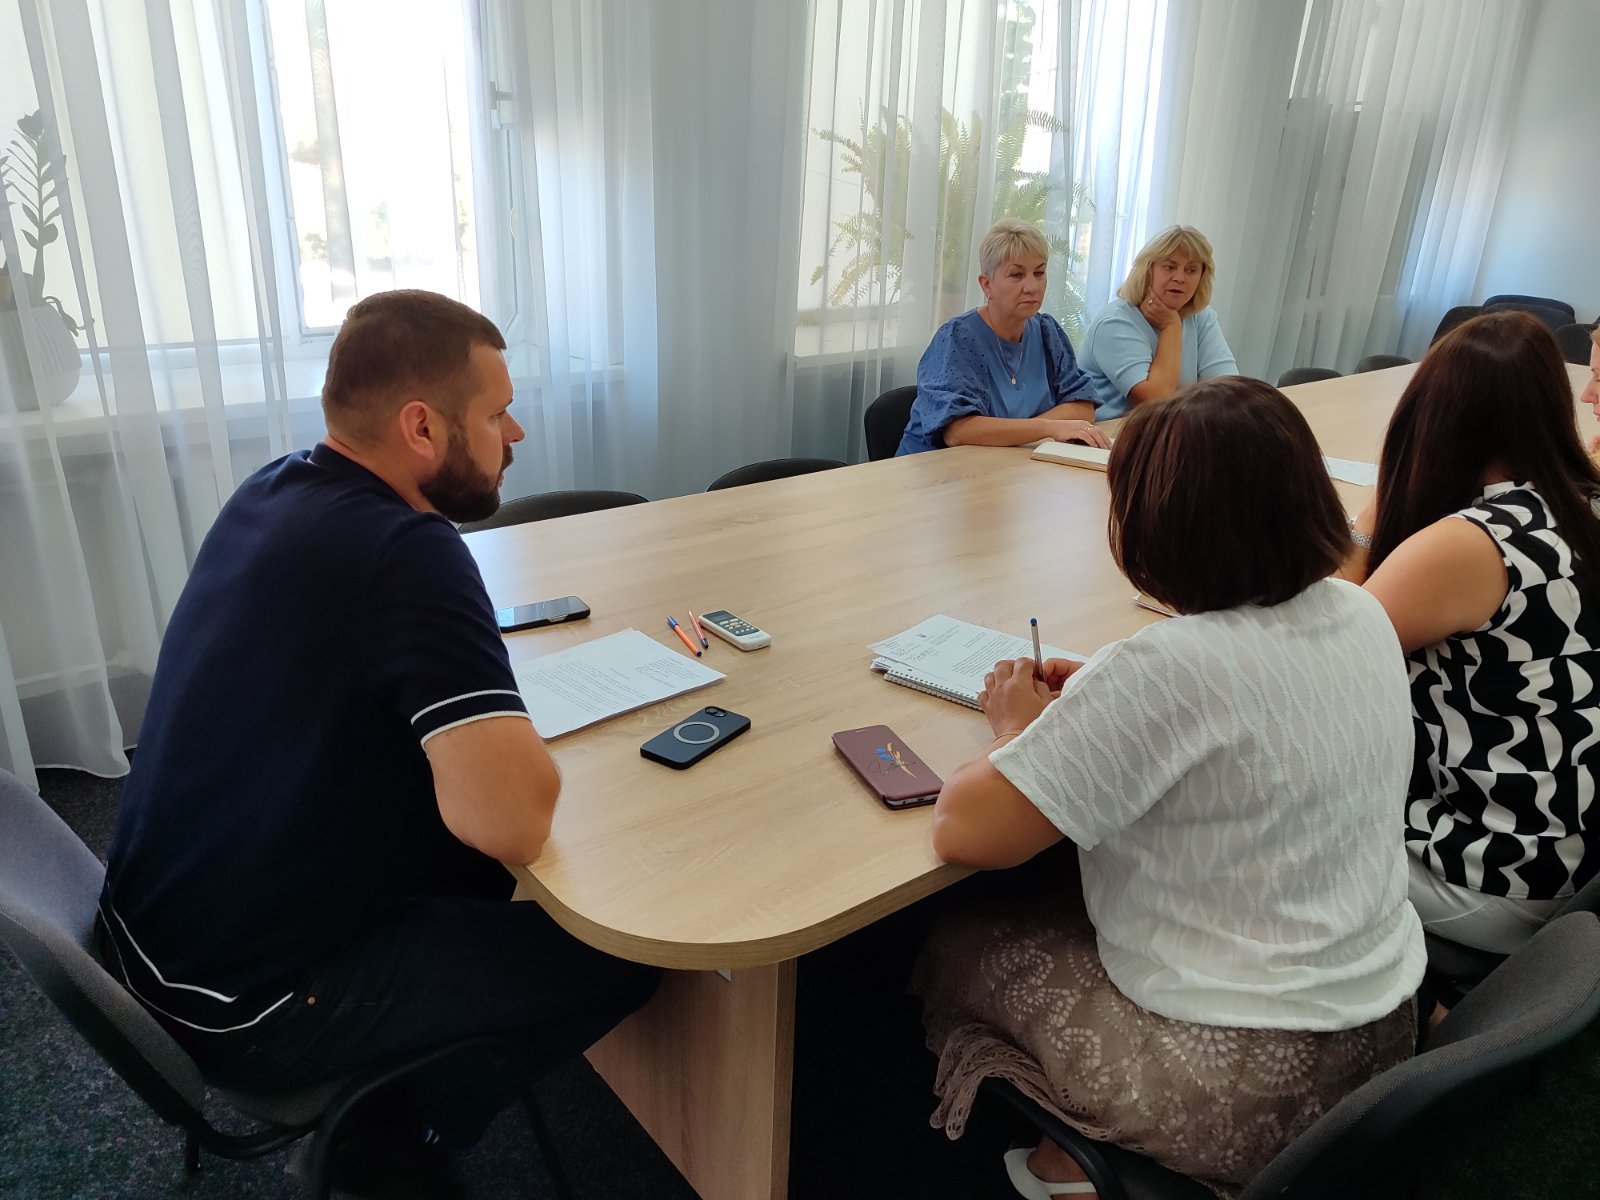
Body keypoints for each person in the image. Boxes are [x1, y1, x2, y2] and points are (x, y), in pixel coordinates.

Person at [98, 290, 659, 1190]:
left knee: (474, 864)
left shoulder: (272, 489)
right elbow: (512, 822)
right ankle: (389, 1134)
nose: (517, 433)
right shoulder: (409, 550)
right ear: (421, 427)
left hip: (154, 940)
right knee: (629, 950)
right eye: (497, 413)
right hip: (255, 1002)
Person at [912, 377, 1423, 1198]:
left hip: (1243, 1090)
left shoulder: (1169, 667)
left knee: (951, 943)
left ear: (1150, 524)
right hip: (1385, 1042)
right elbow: (1246, 713)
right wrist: (1101, 703)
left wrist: (1017, 730)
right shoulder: (1360, 611)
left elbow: (964, 829)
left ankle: (1072, 1167)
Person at [1346, 310, 1600, 956]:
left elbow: (1324, 660)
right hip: (1577, 852)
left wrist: (1375, 506)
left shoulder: (1470, 544)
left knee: (1255, 826)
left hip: (1502, 876)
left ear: (1434, 418)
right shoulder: (1582, 501)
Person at [895, 218, 1110, 455]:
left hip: (1010, 463)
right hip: (934, 468)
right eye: (1017, 275)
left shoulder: (1047, 331)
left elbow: (1083, 407)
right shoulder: (958, 338)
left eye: (1039, 273)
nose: (1032, 286)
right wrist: (1049, 428)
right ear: (987, 284)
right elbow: (958, 431)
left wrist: (1017, 433)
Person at [1078, 225, 1238, 420]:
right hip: (1110, 433)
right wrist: (1171, 326)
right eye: (1170, 267)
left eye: (1191, 270)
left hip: (1175, 427)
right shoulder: (1115, 322)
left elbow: (1229, 392)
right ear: (1148, 270)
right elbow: (1157, 401)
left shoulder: (1201, 317)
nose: (1179, 278)